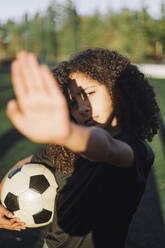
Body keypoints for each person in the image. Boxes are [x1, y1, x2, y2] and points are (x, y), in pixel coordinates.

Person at [0, 48, 160, 248]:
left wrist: (66, 132)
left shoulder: (134, 151)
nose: (82, 107)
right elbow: (27, 162)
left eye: (90, 93)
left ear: (118, 90)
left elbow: (106, 147)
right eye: (72, 103)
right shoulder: (67, 148)